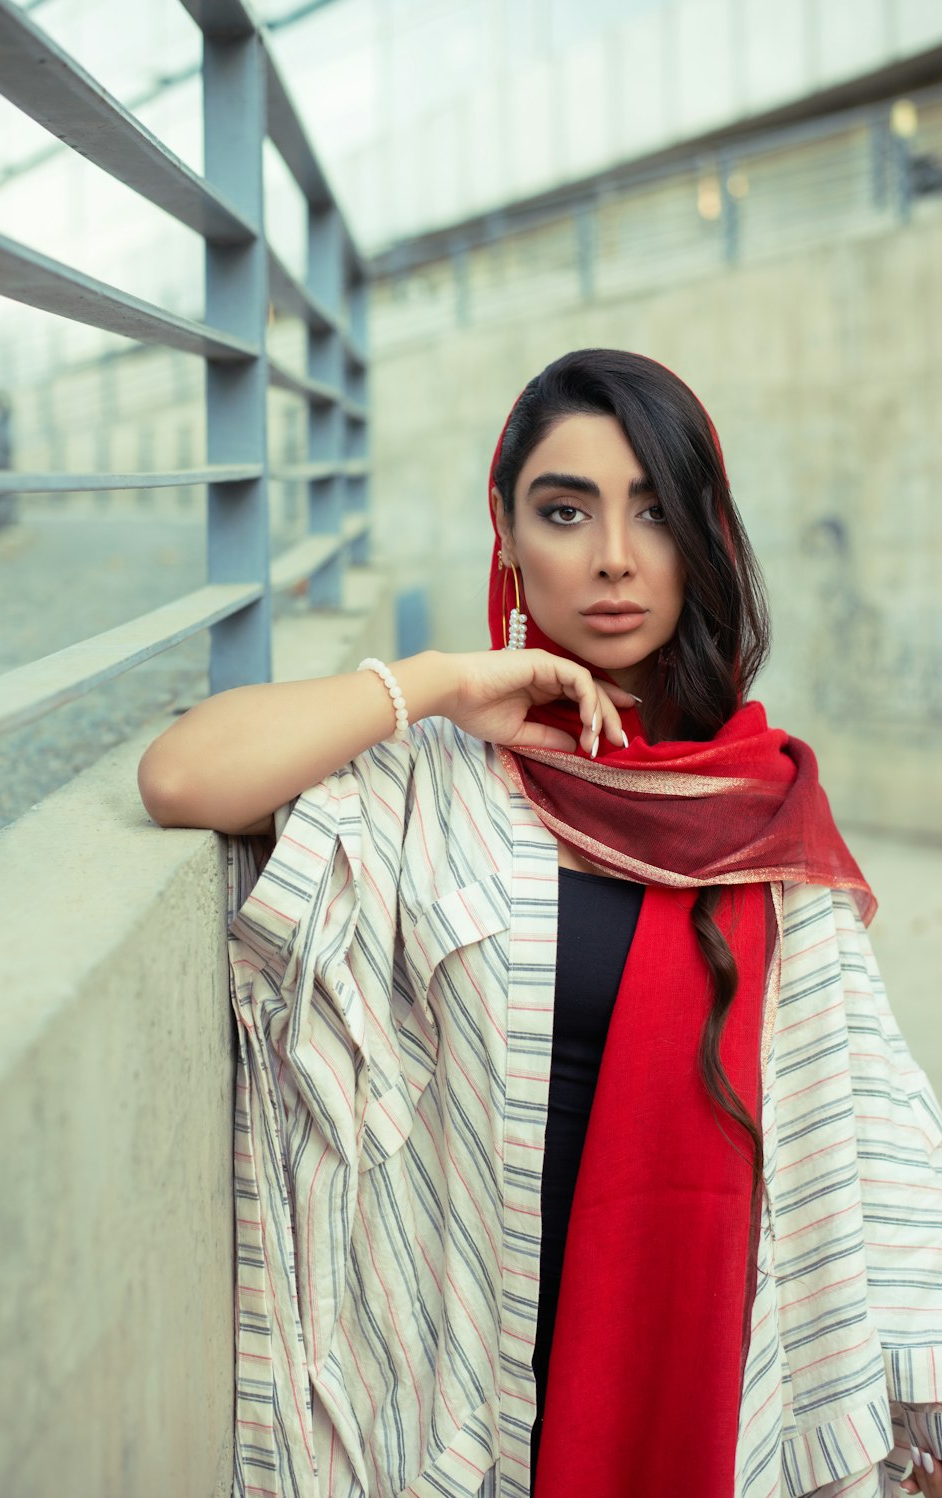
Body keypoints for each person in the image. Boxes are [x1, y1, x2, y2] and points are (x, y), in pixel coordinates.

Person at [137, 349, 942, 1498]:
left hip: (712, 1388)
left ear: (704, 540)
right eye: (565, 511)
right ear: (507, 535)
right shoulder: (436, 777)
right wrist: (443, 683)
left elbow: (868, 1108)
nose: (614, 556)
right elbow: (181, 775)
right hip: (467, 1390)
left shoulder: (758, 806)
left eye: (655, 511)